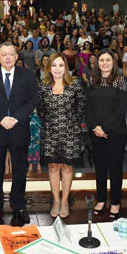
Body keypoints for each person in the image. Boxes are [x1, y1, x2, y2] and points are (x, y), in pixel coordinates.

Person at [0, 42, 38, 227]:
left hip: (19, 129)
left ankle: (18, 206)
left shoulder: (27, 75)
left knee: (20, 170)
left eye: (11, 54)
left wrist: (17, 118)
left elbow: (33, 99)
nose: (8, 57)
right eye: (3, 54)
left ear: (17, 55)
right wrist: (0, 118)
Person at [37, 53, 85, 218]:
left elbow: (80, 109)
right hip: (50, 133)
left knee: (66, 167)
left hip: (70, 133)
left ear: (66, 67)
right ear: (49, 67)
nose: (57, 69)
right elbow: (41, 111)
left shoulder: (75, 85)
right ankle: (55, 200)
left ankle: (64, 200)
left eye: (61, 65)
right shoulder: (43, 86)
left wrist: (70, 124)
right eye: (54, 65)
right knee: (53, 167)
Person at [85, 49, 127, 219]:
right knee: (100, 168)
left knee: (115, 168)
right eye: (101, 60)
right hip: (95, 132)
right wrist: (95, 127)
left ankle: (116, 202)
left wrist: (105, 128)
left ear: (113, 62)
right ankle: (102, 199)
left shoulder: (120, 80)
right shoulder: (92, 80)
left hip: (116, 132)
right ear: (97, 63)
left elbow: (121, 109)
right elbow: (87, 107)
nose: (104, 63)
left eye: (108, 60)